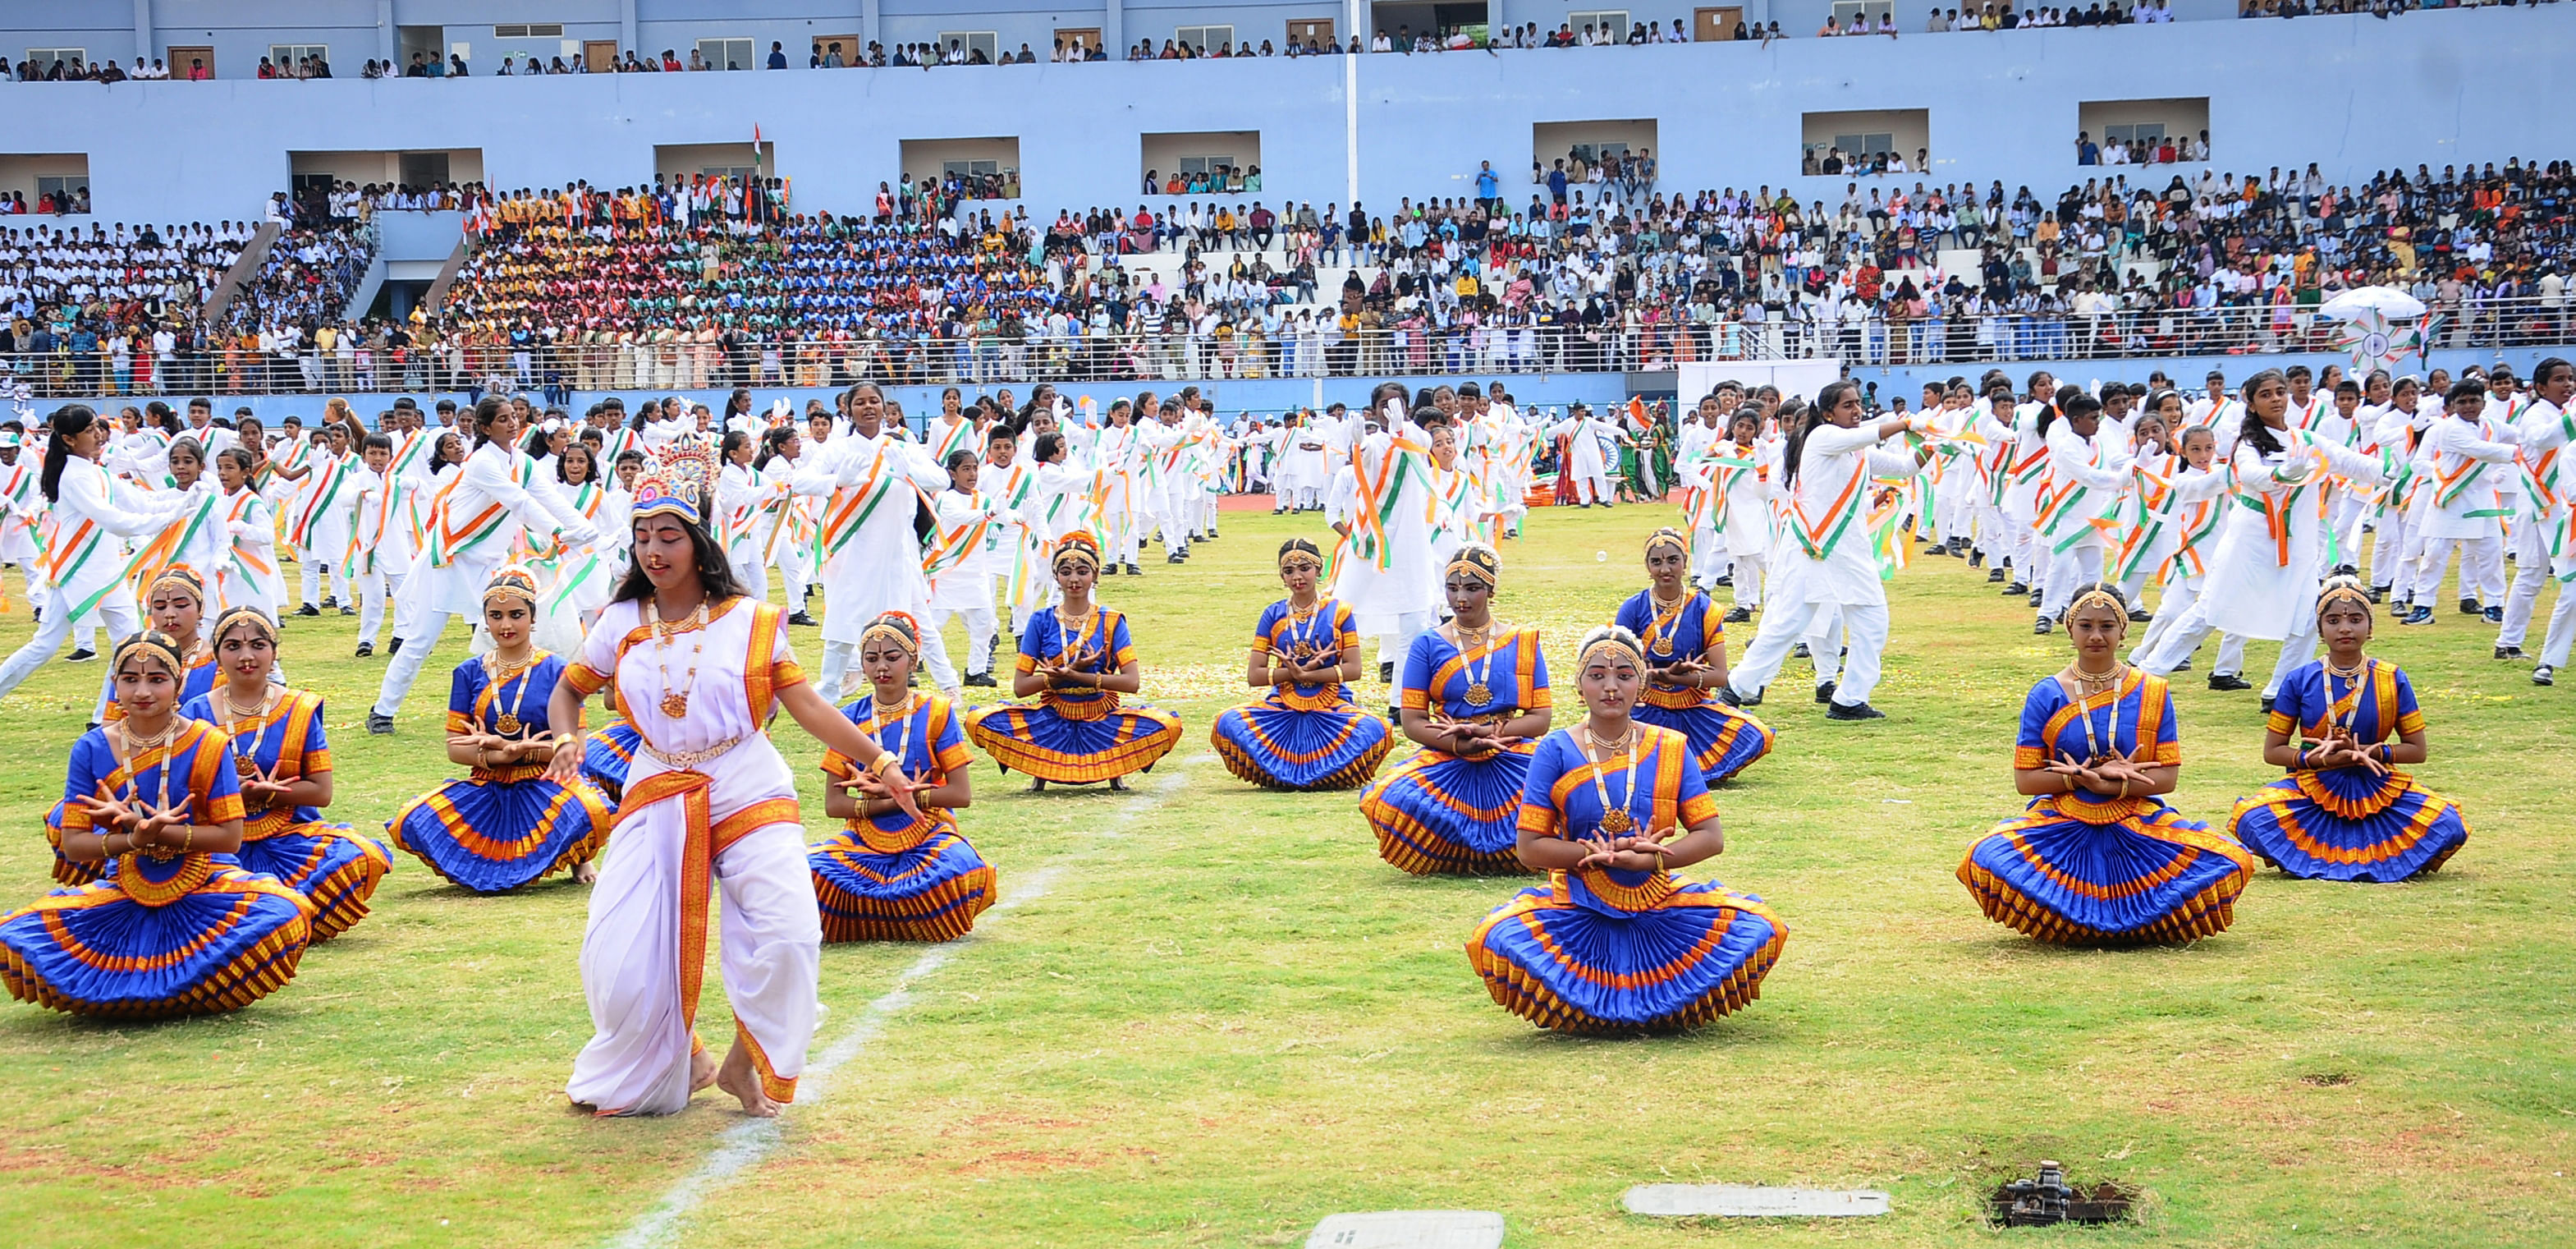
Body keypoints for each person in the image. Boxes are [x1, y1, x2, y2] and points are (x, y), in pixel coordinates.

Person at [548, 438, 919, 1118]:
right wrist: (568, 736)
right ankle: (679, 1056)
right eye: (640, 538)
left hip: (745, 776)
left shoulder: (753, 620)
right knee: (617, 962)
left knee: (790, 934)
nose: (653, 552)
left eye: (668, 536)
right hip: (658, 783)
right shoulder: (622, 620)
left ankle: (746, 1062)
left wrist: (883, 761)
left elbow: (808, 705)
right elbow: (569, 690)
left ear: (699, 541)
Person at [1464, 624, 1787, 1034]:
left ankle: (1641, 1003)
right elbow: (1529, 847)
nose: (1611, 687)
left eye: (1624, 675)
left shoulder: (1671, 745)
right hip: (1578, 902)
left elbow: (1710, 836)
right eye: (1597, 676)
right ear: (1579, 686)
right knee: (1495, 937)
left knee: (1763, 927)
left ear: (1641, 683)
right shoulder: (1556, 749)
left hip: (1657, 899)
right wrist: (1589, 856)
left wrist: (1650, 860)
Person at [1, 631, 314, 1017]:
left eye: (157, 679)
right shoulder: (92, 748)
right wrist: (133, 839)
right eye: (130, 679)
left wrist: (161, 832)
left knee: (285, 913)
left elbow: (230, 839)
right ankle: (177, 989)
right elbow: (74, 845)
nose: (142, 691)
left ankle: (150, 990)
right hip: (124, 887)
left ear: (178, 683)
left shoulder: (207, 742)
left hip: (208, 884)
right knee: (15, 935)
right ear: (114, 684)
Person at [1958, 583, 2255, 945]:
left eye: (2107, 626)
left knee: (2233, 860)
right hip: (2061, 819)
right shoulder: (2046, 693)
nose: (2096, 636)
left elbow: (2167, 776)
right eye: (2086, 626)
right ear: (2070, 629)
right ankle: (2105, 922)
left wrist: (2110, 786)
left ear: (2124, 630)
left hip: (2136, 818)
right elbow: (2026, 780)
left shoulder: (2152, 690)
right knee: (1983, 856)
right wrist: (2085, 779)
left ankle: (2090, 923)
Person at [2133, 370, 2392, 708]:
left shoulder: (2308, 442)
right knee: (2208, 613)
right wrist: (2279, 474)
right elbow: (2252, 476)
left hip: (2297, 549)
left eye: (2279, 392)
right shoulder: (2249, 445)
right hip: (2250, 545)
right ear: (2252, 404)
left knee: (2308, 620)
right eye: (2266, 394)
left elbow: (2351, 463)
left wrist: (2392, 473)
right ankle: (2147, 677)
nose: (2276, 399)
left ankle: (2279, 691)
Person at [369, 397, 599, 733]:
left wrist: (585, 529)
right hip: (450, 560)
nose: (512, 423)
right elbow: (518, 502)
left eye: (513, 417)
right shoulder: (481, 463)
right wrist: (560, 533)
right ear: (486, 428)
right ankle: (383, 711)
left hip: (490, 564)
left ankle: (523, 707)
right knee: (421, 639)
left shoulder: (523, 462)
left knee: (518, 629)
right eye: (503, 419)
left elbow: (548, 497)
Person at [385, 566, 614, 893]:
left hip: (547, 780)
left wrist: (528, 751)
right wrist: (500, 754)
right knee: (411, 819)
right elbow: (455, 747)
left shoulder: (557, 670)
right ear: (486, 621)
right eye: (496, 616)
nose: (506, 625)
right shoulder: (467, 673)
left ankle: (578, 857)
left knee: (591, 810)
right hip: (489, 783)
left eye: (516, 615)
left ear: (533, 618)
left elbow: (577, 748)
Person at [2227, 577, 2468, 882]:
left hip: (2379, 787)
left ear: (2370, 628)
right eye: (2333, 620)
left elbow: (2417, 751)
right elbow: (2273, 752)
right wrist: (2321, 760)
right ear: (2320, 629)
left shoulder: (2391, 678)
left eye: (2355, 620)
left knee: (2448, 823)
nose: (2345, 628)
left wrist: (2369, 752)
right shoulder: (2299, 679)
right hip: (2312, 787)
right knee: (2251, 817)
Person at [1720, 382, 1931, 720]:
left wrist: (1937, 442)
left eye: (1858, 403)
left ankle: (1849, 699)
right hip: (1812, 549)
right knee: (1788, 622)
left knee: (1873, 622)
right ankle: (1738, 687)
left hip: (1849, 553)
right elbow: (1867, 434)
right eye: (1847, 405)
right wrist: (1906, 423)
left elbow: (1907, 467)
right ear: (1829, 412)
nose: (1856, 410)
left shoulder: (1860, 452)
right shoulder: (1821, 437)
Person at [182, 605, 392, 938]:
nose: (246, 656)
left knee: (360, 856)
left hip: (289, 838)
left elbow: (321, 792)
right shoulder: (196, 713)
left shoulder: (299, 707)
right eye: (233, 646)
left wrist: (270, 793)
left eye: (258, 645)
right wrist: (233, 795)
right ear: (217, 656)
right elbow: (184, 797)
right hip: (221, 845)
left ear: (275, 652)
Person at [1359, 544, 1553, 875]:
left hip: (1510, 750)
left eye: (1472, 588)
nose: (1460, 598)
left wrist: (1492, 733)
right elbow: (1413, 721)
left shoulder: (1521, 640)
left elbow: (1540, 718)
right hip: (1448, 752)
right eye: (1452, 588)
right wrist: (1459, 743)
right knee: (1388, 799)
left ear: (1491, 590)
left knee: (1561, 793)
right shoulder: (1428, 643)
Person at [807, 611, 998, 941]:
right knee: (808, 873)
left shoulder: (937, 712)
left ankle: (877, 918)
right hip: (864, 838)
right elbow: (834, 804)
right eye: (872, 659)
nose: (882, 667)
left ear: (913, 660)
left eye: (892, 657)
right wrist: (887, 800)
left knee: (953, 870)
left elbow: (960, 795)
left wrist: (900, 794)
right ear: (863, 665)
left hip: (928, 832)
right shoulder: (847, 719)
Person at [0, 406, 197, 714]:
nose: (98, 434)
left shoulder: (97, 471)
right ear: (68, 438)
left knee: (130, 645)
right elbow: (114, 520)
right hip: (75, 571)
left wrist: (189, 496)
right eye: (89, 430)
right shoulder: (73, 476)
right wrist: (170, 516)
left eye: (98, 427)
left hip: (106, 570)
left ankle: (103, 715)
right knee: (44, 646)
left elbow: (142, 500)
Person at [965, 530, 1183, 790]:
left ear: (1095, 575)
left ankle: (1113, 771)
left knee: (1167, 726)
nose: (1074, 579)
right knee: (978, 720)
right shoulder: (1040, 621)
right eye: (1066, 572)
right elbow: (1021, 687)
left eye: (1082, 571)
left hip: (1101, 715)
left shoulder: (1111, 621)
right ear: (1056, 577)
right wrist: (1052, 679)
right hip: (1053, 715)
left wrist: (1077, 677)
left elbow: (1131, 682)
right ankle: (1041, 771)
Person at [1210, 537, 1395, 790]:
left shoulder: (1340, 612)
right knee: (1227, 721)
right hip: (1282, 705)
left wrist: (1312, 674)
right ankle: (1317, 774)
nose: (1297, 577)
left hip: (1332, 705)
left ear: (1319, 570)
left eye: (1304, 568)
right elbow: (1255, 675)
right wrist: (1292, 675)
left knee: (1375, 728)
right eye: (1289, 571)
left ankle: (1293, 773)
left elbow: (1354, 669)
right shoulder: (1272, 614)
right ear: (1281, 577)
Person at [1613, 528, 1773, 785]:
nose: (1665, 569)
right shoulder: (1633, 608)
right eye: (1657, 562)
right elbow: (1617, 671)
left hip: (1692, 706)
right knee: (1598, 732)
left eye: (1672, 560)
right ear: (1648, 567)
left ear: (1685, 562)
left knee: (1758, 734)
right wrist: (1655, 675)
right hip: (1643, 707)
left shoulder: (1704, 609)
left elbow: (1720, 676)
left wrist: (1683, 678)